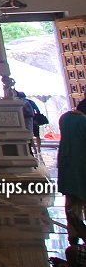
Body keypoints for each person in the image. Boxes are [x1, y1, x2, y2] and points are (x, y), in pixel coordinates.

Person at [59, 99, 86, 247]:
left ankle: (73, 235)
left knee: (71, 205)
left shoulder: (66, 121)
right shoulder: (82, 123)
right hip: (81, 168)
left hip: (69, 169)